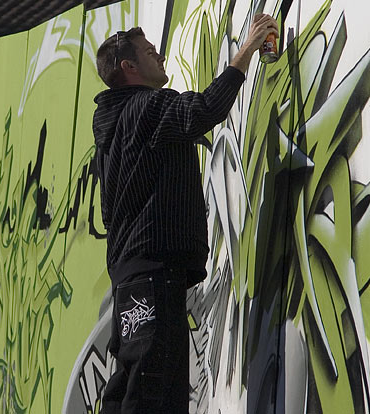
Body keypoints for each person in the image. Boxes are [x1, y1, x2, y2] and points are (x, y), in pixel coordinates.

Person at [92, 14, 279, 414]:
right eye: (149, 52)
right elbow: (206, 109)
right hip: (154, 278)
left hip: (132, 281)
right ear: (129, 67)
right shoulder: (149, 107)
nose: (159, 55)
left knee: (139, 391)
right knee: (152, 396)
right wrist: (246, 50)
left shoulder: (113, 127)